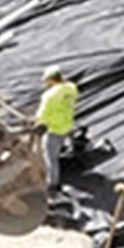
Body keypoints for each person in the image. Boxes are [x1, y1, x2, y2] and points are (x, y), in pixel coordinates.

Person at [35, 65, 78, 196]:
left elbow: (42, 117)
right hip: (67, 125)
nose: (46, 84)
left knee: (51, 159)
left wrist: (37, 123)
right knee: (63, 144)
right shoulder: (71, 88)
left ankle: (53, 185)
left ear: (51, 80)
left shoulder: (49, 96)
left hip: (54, 130)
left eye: (47, 81)